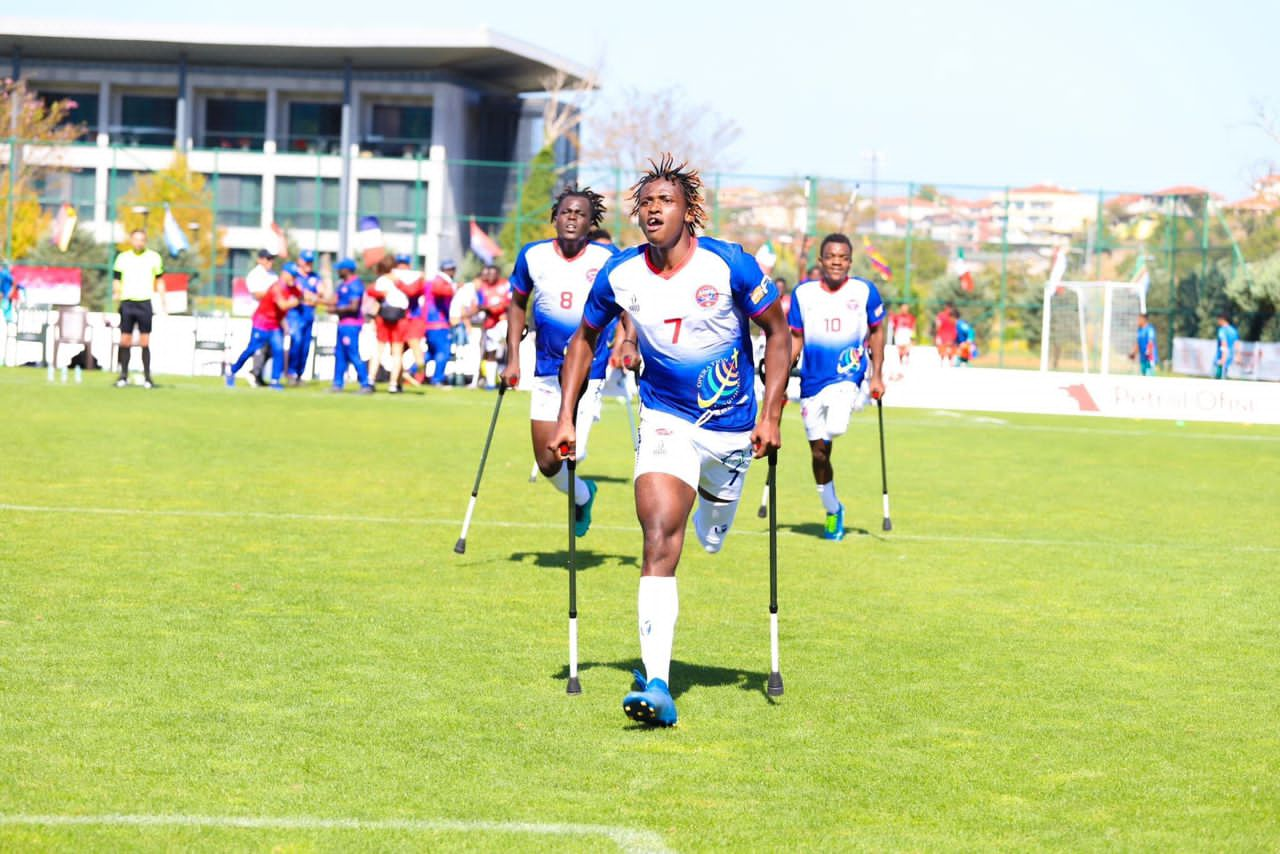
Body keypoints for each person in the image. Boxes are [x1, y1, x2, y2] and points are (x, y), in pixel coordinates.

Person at [551, 155, 790, 728]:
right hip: (665, 419)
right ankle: (657, 681)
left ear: (689, 212)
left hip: (731, 430)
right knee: (658, 533)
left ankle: (716, 509)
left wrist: (774, 412)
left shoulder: (729, 263)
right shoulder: (620, 274)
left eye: (666, 202)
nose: (654, 210)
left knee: (710, 536)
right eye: (646, 204)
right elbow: (584, 340)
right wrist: (566, 414)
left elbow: (778, 335)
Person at [503, 185, 619, 534]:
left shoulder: (606, 259)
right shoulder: (532, 256)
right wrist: (512, 358)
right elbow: (516, 304)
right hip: (546, 372)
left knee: (571, 452)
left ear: (590, 223)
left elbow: (625, 305)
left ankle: (579, 489)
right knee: (547, 462)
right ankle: (584, 495)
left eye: (580, 214)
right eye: (566, 212)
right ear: (555, 217)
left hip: (589, 371)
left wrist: (627, 341)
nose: (572, 218)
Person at [788, 234, 885, 541]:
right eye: (831, 256)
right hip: (811, 382)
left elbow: (877, 330)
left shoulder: (864, 290)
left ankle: (847, 407)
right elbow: (795, 338)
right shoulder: (803, 294)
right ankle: (833, 510)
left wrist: (878, 375)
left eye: (842, 257)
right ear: (821, 260)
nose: (836, 262)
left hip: (847, 377)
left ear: (850, 262)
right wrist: (782, 372)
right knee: (819, 455)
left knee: (838, 426)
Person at [226, 263, 301, 389]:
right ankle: (232, 371)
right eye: (292, 276)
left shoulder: (292, 288)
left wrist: (320, 300)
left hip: (274, 325)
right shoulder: (277, 287)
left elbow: (304, 295)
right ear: (285, 274)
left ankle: (275, 381)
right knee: (251, 350)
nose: (294, 278)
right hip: (261, 323)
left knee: (278, 350)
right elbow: (282, 305)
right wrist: (296, 302)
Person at [112, 228, 164, 388]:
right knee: (125, 340)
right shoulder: (122, 258)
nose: (139, 242)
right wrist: (116, 294)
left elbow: (160, 281)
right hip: (127, 302)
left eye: (142, 239)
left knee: (145, 341)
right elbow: (116, 279)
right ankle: (123, 376)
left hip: (144, 303)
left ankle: (148, 378)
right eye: (136, 239)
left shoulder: (154, 257)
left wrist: (164, 301)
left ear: (145, 241)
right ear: (131, 240)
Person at [365, 255, 421, 393]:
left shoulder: (382, 280)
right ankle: (393, 384)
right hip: (400, 318)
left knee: (378, 350)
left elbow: (376, 295)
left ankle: (370, 380)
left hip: (384, 317)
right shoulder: (402, 279)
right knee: (397, 353)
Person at [327, 258, 373, 394]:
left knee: (353, 354)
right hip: (342, 324)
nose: (338, 271)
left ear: (346, 270)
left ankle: (365, 384)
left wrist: (335, 310)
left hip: (351, 325)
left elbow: (354, 307)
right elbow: (333, 300)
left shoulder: (355, 285)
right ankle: (337, 384)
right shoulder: (342, 284)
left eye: (340, 269)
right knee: (340, 354)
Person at [285, 249, 322, 384]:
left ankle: (299, 374)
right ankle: (291, 372)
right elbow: (298, 294)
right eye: (306, 261)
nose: (308, 265)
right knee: (297, 341)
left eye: (310, 262)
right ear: (300, 261)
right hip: (295, 314)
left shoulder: (315, 277)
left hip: (308, 315)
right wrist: (308, 297)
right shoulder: (294, 276)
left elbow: (320, 293)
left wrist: (311, 297)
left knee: (306, 345)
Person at [244, 249, 278, 386]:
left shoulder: (273, 275)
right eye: (267, 258)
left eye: (271, 258)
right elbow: (257, 294)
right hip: (260, 317)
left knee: (271, 349)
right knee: (259, 347)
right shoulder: (255, 275)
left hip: (273, 317)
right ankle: (254, 374)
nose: (270, 262)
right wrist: (273, 295)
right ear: (260, 259)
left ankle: (257, 374)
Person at [475, 264, 512, 389]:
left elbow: (510, 303)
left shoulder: (505, 285)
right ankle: (490, 383)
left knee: (511, 350)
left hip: (504, 322)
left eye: (492, 274)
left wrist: (498, 308)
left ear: (497, 274)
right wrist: (492, 308)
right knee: (491, 352)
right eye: (487, 274)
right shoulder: (482, 288)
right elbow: (479, 305)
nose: (489, 276)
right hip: (491, 324)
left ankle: (512, 382)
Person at [394, 254, 429, 386]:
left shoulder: (416, 279)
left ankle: (420, 376)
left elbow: (412, 291)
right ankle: (400, 379)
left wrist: (398, 283)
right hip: (400, 319)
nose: (401, 267)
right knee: (398, 351)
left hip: (413, 319)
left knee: (415, 347)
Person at [422, 259, 458, 385]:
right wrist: (455, 288)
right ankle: (437, 379)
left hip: (430, 323)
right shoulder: (440, 282)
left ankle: (413, 371)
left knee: (431, 352)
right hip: (438, 323)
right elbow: (439, 290)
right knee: (443, 351)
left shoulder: (434, 281)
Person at [890, 303, 915, 375]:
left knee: (907, 348)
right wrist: (895, 333)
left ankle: (907, 359)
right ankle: (900, 361)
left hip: (907, 333)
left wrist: (913, 336)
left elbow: (913, 326)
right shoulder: (897, 317)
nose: (905, 310)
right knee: (900, 349)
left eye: (906, 308)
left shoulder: (911, 317)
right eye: (903, 308)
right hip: (900, 333)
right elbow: (893, 325)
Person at [1215, 314, 1238, 380]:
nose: (1218, 322)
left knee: (1217, 380)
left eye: (1218, 320)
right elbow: (1236, 344)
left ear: (1222, 319)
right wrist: (1237, 355)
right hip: (1230, 357)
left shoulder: (1222, 330)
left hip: (1222, 358)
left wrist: (1223, 357)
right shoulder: (1233, 330)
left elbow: (1224, 343)